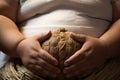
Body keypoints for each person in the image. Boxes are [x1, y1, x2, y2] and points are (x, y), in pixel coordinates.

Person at [0, 0, 120, 79]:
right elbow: (2, 15)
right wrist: (18, 45)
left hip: (101, 69)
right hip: (24, 69)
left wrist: (106, 46)